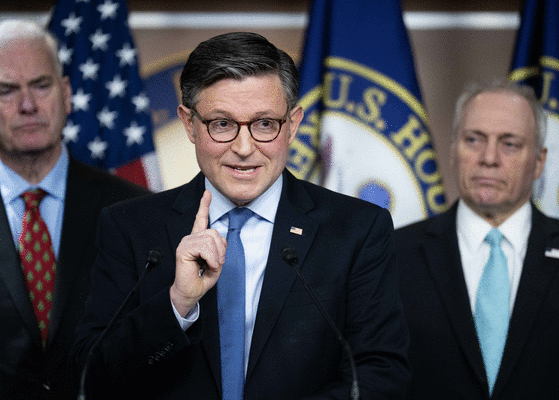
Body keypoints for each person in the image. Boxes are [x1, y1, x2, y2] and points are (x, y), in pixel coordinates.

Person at [71, 32, 410, 399]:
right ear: (189, 124)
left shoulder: (357, 229)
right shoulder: (129, 227)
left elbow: (379, 376)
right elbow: (90, 376)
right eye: (222, 124)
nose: (244, 148)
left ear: (292, 124)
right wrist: (177, 304)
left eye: (264, 124)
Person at [0, 20, 148, 399]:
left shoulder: (133, 208)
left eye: (41, 85)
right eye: (7, 90)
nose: (28, 105)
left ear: (66, 93)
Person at [395, 80, 559, 399]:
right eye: (474, 140)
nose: (489, 157)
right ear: (453, 149)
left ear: (539, 161)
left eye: (509, 144)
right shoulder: (393, 253)